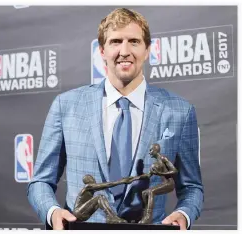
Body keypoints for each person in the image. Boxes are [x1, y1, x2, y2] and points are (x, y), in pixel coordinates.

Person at [27, 8, 204, 230]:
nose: (124, 50)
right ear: (102, 50)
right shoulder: (66, 105)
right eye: (115, 41)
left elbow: (192, 187)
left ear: (148, 49)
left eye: (134, 41)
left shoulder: (180, 111)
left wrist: (184, 214)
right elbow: (41, 182)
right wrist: (52, 212)